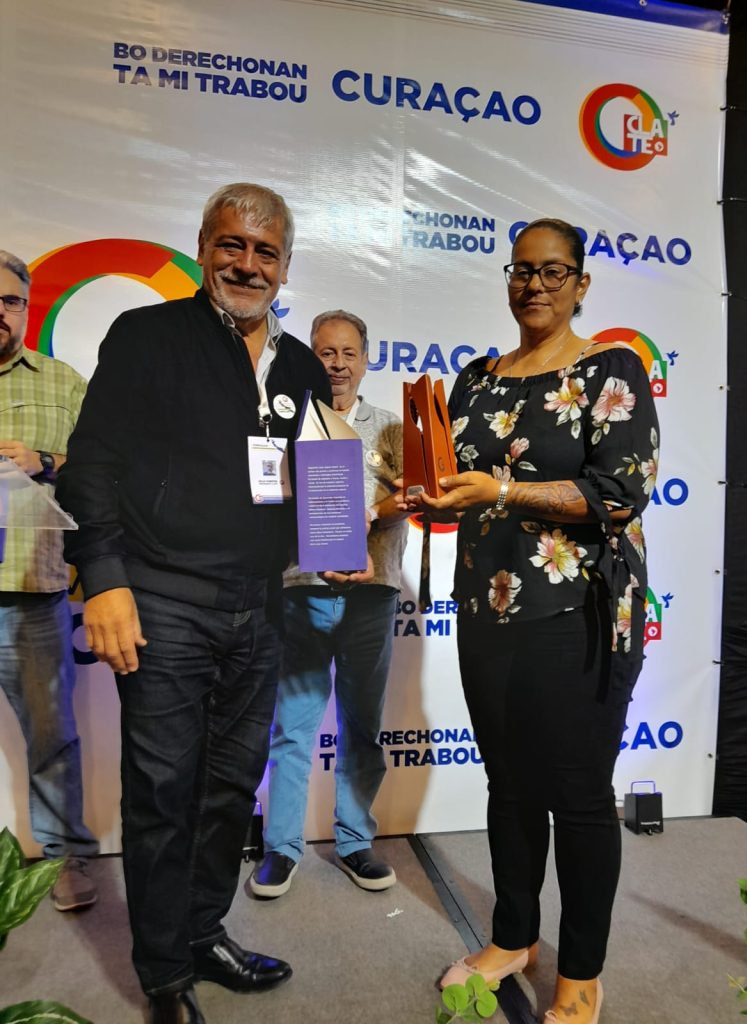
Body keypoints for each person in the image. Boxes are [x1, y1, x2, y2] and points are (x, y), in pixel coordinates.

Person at [56, 184, 340, 1024]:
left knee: (229, 788)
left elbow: (308, 481)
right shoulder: (147, 336)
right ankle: (163, 975)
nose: (247, 265)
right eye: (232, 245)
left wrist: (334, 542)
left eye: (265, 251)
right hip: (162, 598)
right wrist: (103, 576)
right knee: (163, 790)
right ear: (204, 247)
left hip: (259, 607)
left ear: (285, 265)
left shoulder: (299, 367)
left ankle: (202, 932)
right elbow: (92, 463)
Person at [409, 219, 659, 1024]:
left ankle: (581, 971)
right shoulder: (475, 380)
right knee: (509, 784)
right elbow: (459, 491)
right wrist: (425, 494)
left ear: (580, 283)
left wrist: (503, 491)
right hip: (487, 607)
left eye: (553, 272)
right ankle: (513, 937)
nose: (535, 285)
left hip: (577, 609)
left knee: (578, 794)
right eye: (522, 270)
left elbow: (620, 493)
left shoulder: (611, 369)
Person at [249, 309, 408, 899]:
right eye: (325, 353)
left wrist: (367, 516)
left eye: (348, 353)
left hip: (372, 592)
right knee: (292, 727)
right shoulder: (286, 420)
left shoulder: (391, 428)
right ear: (310, 358)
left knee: (362, 726)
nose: (337, 365)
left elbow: (414, 497)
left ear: (366, 360)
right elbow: (265, 497)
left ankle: (355, 841)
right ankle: (282, 847)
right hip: (302, 590)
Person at [0, 250, 99, 911]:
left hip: (31, 591)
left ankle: (64, 858)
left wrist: (45, 459)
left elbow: (99, 466)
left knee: (51, 736)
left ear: (26, 308)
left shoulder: (62, 381)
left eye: (10, 300)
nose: (0, 311)